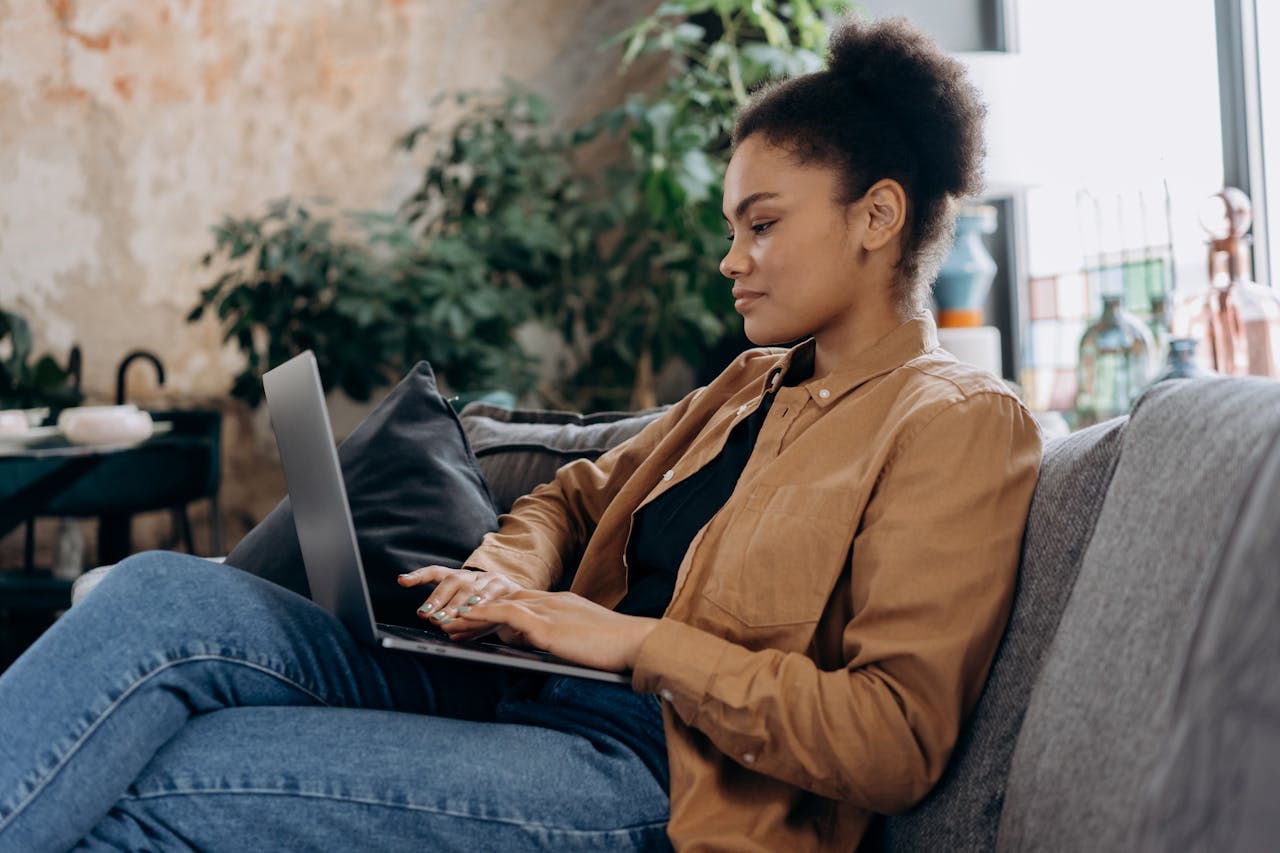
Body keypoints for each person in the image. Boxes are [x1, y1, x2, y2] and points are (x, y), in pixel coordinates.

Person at [0, 14, 1040, 852]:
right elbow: (569, 494)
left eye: (759, 223)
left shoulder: (953, 424)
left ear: (876, 216)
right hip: (513, 691)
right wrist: (504, 575)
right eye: (731, 228)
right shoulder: (746, 386)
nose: (730, 258)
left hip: (647, 780)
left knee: (158, 783)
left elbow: (893, 740)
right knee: (157, 592)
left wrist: (631, 640)